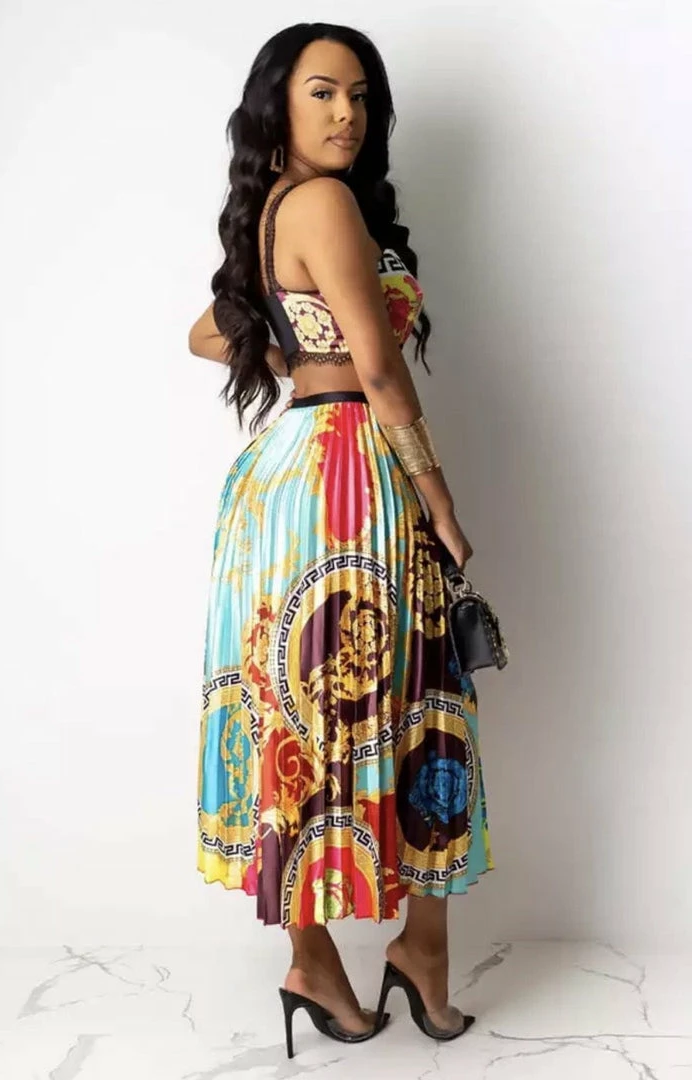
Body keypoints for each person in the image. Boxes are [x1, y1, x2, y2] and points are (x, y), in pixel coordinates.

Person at [188, 22, 494, 1059]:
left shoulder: (275, 209)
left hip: (287, 477)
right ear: (275, 103)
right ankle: (421, 949)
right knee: (422, 697)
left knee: (297, 707)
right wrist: (440, 500)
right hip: (349, 470)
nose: (347, 114)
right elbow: (378, 365)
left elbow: (209, 329)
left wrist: (285, 338)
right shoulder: (320, 202)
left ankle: (321, 959)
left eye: (361, 96)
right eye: (322, 92)